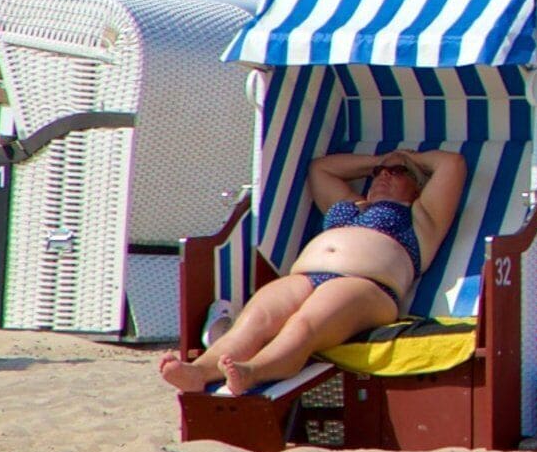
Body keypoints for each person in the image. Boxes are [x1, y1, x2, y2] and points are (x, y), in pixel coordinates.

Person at [158, 149, 467, 394]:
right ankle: (199, 371)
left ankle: (254, 371)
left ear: (417, 186)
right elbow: (320, 168)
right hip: (306, 277)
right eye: (378, 173)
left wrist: (407, 156)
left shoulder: (422, 217)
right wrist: (381, 160)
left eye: (397, 173)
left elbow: (451, 163)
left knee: (304, 324)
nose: (384, 175)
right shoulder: (351, 203)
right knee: (253, 321)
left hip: (366, 285)